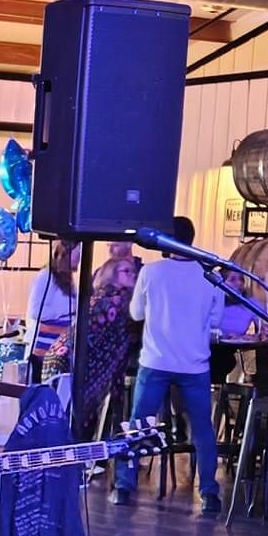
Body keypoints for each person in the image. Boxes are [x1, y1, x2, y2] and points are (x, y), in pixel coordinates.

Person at [111, 215, 224, 515]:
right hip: (195, 364)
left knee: (138, 423)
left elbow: (135, 313)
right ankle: (209, 493)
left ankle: (123, 486)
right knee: (202, 428)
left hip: (156, 360)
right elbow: (216, 321)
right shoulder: (209, 275)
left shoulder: (151, 272)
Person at [43, 255, 139, 439]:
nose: (132, 275)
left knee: (66, 418)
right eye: (126, 271)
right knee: (67, 419)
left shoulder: (107, 299)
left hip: (68, 361)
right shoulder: (112, 300)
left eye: (133, 271)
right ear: (111, 274)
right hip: (69, 362)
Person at [24, 239, 80, 378]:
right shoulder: (46, 276)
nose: (79, 257)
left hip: (59, 350)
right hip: (43, 352)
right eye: (77, 252)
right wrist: (68, 308)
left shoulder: (68, 279)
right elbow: (36, 311)